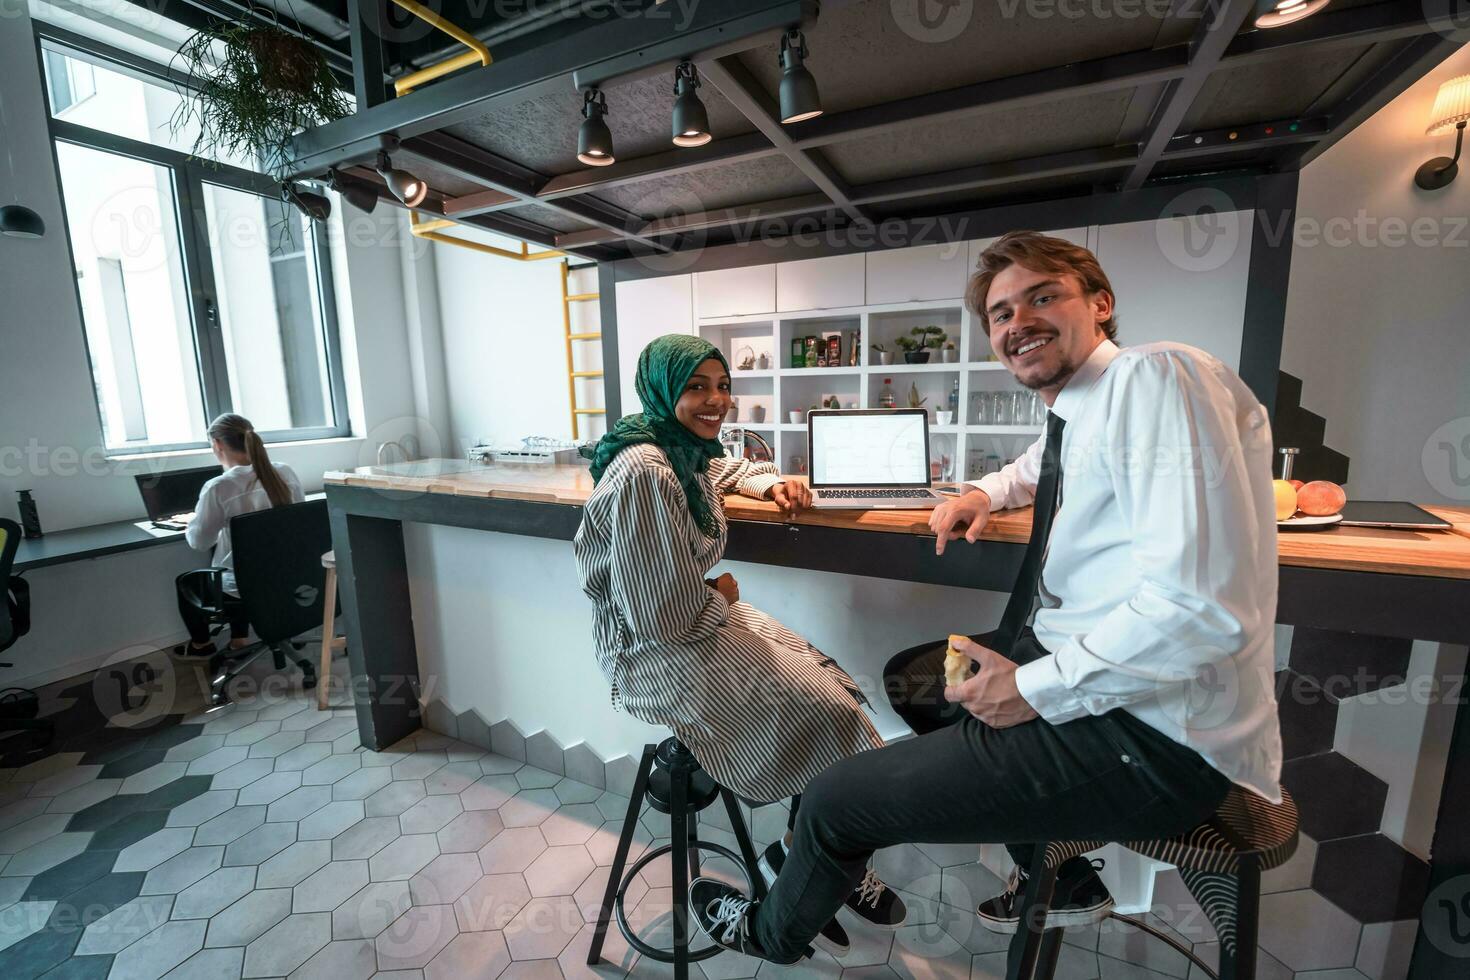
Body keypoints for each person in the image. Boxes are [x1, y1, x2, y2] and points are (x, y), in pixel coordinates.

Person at [688, 231, 1283, 963]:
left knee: (838, 801)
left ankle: (770, 932)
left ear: (1101, 304)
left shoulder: (1157, 377)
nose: (1017, 322)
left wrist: (1031, 689)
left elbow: (1202, 611)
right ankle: (1053, 872)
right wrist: (982, 489)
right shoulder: (1084, 402)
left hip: (1156, 738)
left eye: (1043, 296)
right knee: (915, 678)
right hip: (1091, 682)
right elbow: (1040, 466)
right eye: (1001, 313)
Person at [573, 334, 906, 953]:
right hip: (659, 652)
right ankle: (812, 870)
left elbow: (719, 466)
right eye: (696, 387)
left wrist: (770, 481)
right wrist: (721, 596)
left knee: (834, 686)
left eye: (722, 385)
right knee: (830, 713)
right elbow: (660, 616)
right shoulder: (644, 472)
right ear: (662, 388)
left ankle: (802, 853)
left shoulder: (673, 448)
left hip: (694, 622)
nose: (715, 400)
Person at [173, 413, 304, 660]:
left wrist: (192, 519)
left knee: (190, 580)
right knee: (239, 563)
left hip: (245, 585)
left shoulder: (218, 487)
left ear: (217, 444)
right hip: (288, 577)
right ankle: (238, 640)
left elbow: (199, 543)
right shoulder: (285, 473)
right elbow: (297, 522)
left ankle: (201, 646)